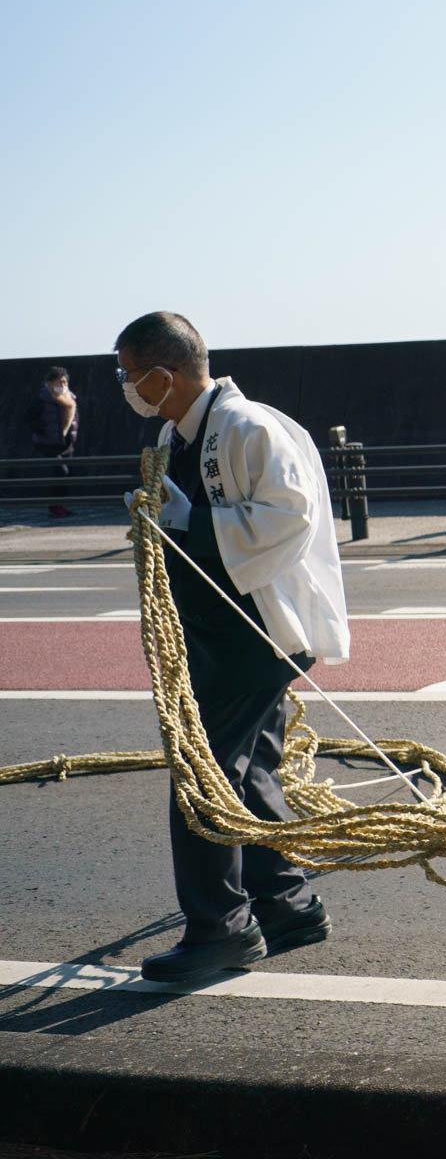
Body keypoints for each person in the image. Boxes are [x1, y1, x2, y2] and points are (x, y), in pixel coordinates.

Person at [112, 311, 348, 985]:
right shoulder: (180, 433)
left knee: (201, 772)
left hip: (258, 633)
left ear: (167, 374)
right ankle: (286, 904)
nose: (128, 387)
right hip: (225, 631)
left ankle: (222, 928)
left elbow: (292, 515)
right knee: (245, 771)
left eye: (133, 376)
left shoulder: (247, 428)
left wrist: (196, 522)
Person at [31, 366, 79, 518]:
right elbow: (32, 419)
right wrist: (44, 433)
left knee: (66, 474)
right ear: (50, 383)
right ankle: (54, 505)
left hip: (66, 444)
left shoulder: (70, 399)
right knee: (60, 471)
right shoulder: (42, 399)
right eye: (59, 382)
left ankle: (59, 505)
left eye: (64, 382)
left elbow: (75, 420)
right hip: (48, 444)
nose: (62, 386)